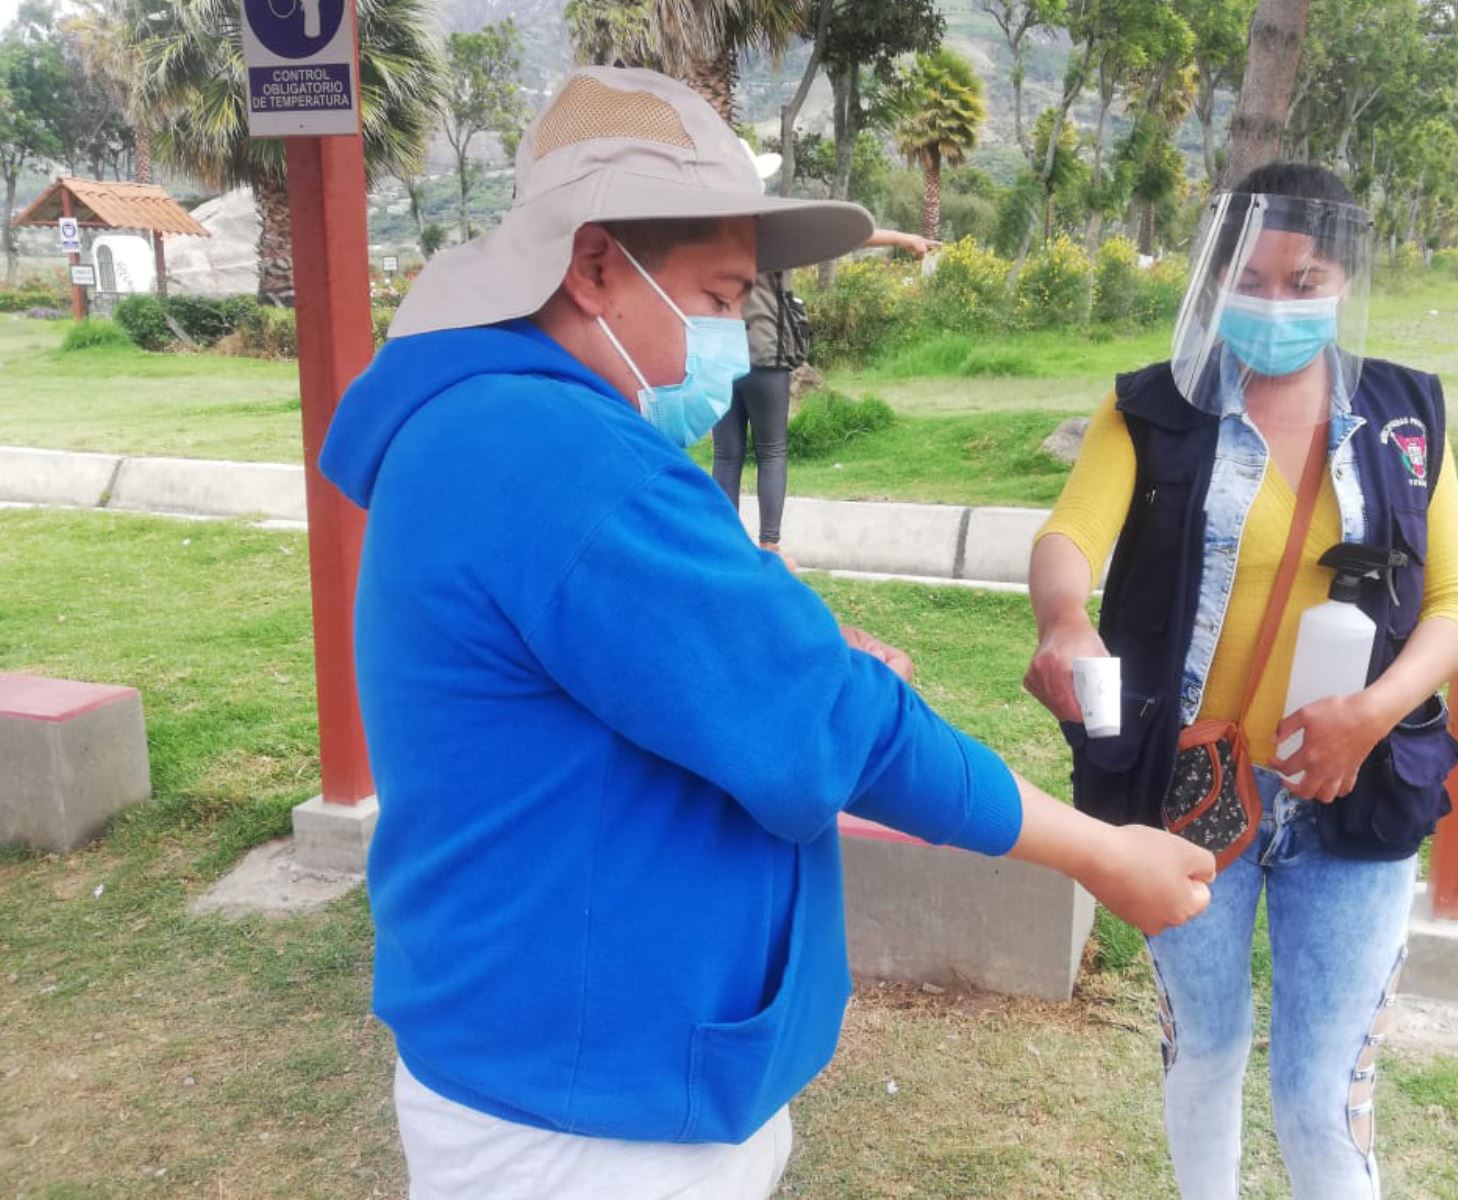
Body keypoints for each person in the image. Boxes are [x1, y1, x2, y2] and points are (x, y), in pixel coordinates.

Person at [319, 66, 1215, 1200]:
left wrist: (789, 650)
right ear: (595, 265)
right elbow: (832, 728)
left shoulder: (489, 427)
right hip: (592, 1116)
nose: (736, 337)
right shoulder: (564, 458)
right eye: (717, 294)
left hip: (548, 1048)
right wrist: (1104, 851)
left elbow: (654, 671)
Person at [1021, 162, 1458, 1200]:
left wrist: (1369, 715)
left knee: (1323, 1099)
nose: (1275, 305)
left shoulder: (1407, 420)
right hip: (1193, 798)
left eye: (1304, 279)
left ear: (1346, 280)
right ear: (1212, 277)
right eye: (1251, 279)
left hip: (1355, 797)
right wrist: (1063, 620)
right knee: (1207, 1053)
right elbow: (1070, 535)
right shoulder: (1154, 409)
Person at [714, 148, 938, 555]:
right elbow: (848, 237)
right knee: (772, 451)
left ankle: (724, 544)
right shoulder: (778, 226)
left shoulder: (711, 227)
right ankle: (770, 546)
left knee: (727, 456)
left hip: (721, 359)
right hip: (769, 358)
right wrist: (905, 239)